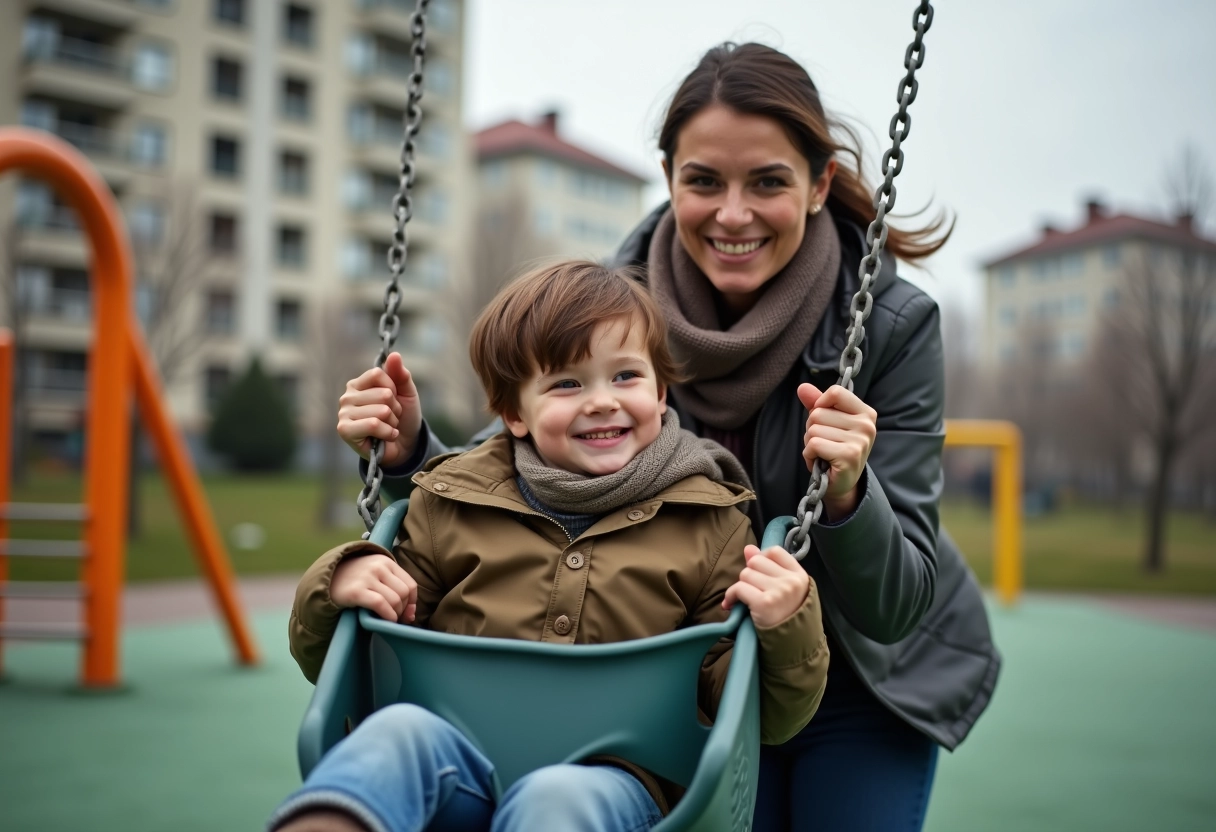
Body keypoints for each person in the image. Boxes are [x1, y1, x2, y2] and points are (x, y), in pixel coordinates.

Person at [337, 43, 1001, 832]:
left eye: (768, 182)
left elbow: (896, 606)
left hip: (858, 678)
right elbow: (508, 476)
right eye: (704, 181)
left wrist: (853, 490)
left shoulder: (889, 325)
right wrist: (410, 449)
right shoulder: (617, 312)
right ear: (668, 177)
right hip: (689, 679)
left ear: (820, 185)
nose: (732, 213)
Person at [270, 261, 830, 832]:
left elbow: (755, 715)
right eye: (567, 383)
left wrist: (784, 624)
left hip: (614, 787)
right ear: (514, 412)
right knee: (395, 735)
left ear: (661, 394)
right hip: (460, 769)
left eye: (626, 376)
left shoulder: (710, 525)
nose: (601, 401)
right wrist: (339, 585)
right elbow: (354, 671)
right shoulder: (450, 505)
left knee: (556, 798)